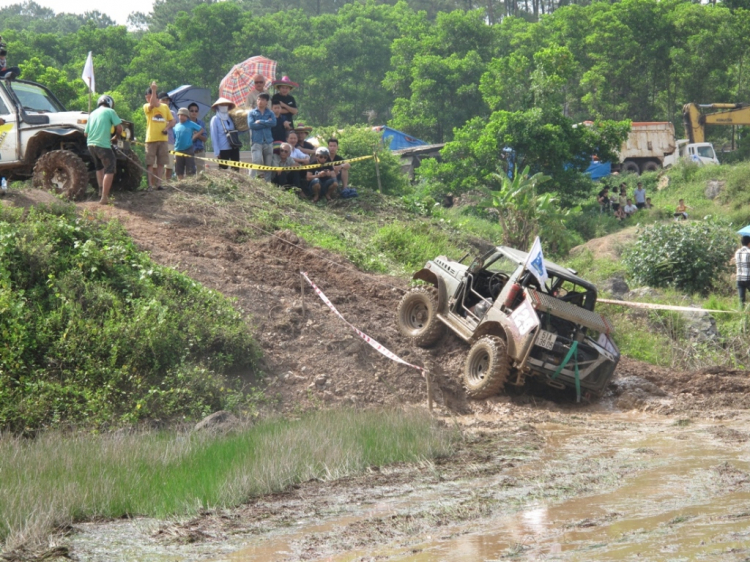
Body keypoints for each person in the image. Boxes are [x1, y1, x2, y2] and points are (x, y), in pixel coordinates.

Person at [84, 94, 122, 205]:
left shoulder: (92, 114)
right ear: (110, 104)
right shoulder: (110, 112)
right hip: (103, 145)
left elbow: (86, 133)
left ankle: (101, 192)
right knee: (110, 168)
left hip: (90, 145)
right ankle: (105, 197)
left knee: (98, 167)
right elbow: (119, 128)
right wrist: (115, 137)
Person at [143, 81, 175, 190]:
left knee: (162, 163)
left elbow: (172, 121)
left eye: (152, 96)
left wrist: (166, 128)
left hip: (163, 139)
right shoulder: (147, 106)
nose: (150, 98)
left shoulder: (165, 108)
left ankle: (159, 184)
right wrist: (154, 90)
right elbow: (152, 105)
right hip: (151, 138)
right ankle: (150, 185)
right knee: (150, 163)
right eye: (149, 96)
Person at [248, 92, 276, 180]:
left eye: (263, 99)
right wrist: (267, 123)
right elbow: (251, 125)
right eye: (258, 99)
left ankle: (268, 183)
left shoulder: (270, 113)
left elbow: (274, 123)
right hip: (256, 141)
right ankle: (251, 180)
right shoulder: (252, 113)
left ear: (266, 102)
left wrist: (260, 121)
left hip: (268, 141)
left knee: (268, 164)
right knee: (256, 160)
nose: (260, 101)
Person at [173, 107, 205, 180]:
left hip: (188, 149)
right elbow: (174, 137)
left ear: (187, 116)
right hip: (178, 150)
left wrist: (195, 136)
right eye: (180, 115)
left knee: (190, 168)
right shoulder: (176, 126)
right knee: (179, 169)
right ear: (178, 116)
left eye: (184, 115)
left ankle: (190, 183)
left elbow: (201, 129)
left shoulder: (191, 124)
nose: (182, 117)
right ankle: (180, 183)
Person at [210, 97, 241, 170]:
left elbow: (237, 132)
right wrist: (217, 152)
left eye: (226, 105)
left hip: (234, 146)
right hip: (223, 148)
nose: (224, 106)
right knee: (223, 169)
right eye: (222, 105)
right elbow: (214, 136)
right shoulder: (215, 119)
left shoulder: (231, 118)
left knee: (235, 169)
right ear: (217, 107)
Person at [159, 92, 175, 180]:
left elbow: (174, 123)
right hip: (158, 140)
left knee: (169, 166)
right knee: (157, 164)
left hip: (170, 140)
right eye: (164, 100)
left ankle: (167, 184)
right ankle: (157, 183)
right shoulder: (156, 111)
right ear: (159, 101)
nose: (166, 102)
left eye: (167, 100)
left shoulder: (172, 112)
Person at [187, 103, 208, 173]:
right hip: (188, 152)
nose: (194, 112)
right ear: (188, 112)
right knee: (189, 174)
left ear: (198, 112)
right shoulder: (185, 124)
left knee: (201, 174)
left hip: (200, 152)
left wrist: (198, 135)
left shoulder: (201, 123)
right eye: (192, 111)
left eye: (196, 111)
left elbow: (205, 139)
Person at [734, 235, 750, 307]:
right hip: (748, 278)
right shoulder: (749, 252)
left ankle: (742, 315)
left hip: (739, 278)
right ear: (749, 243)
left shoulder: (737, 252)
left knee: (741, 300)